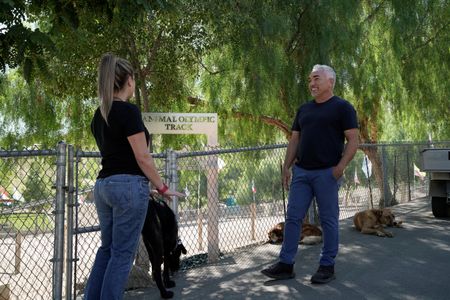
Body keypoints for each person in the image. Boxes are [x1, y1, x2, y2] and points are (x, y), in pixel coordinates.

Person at [84, 53, 184, 300]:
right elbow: (142, 157)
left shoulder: (99, 115)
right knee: (121, 254)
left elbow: (118, 157)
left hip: (104, 187)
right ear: (129, 80)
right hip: (128, 187)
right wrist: (161, 187)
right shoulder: (128, 112)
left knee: (107, 250)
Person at [261, 64, 359, 284]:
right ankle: (286, 264)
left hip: (327, 173)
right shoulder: (304, 109)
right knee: (293, 218)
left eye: (316, 79)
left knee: (328, 220)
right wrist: (287, 167)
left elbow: (353, 140)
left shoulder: (343, 108)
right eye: (309, 80)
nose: (311, 84)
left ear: (330, 81)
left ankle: (327, 266)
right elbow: (294, 139)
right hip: (302, 172)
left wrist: (339, 168)